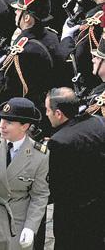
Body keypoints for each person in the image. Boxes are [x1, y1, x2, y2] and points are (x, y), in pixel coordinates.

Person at [0, 0, 64, 135]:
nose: (16, 12)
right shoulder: (50, 35)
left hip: (31, 117)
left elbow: (3, 88)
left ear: (28, 18)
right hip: (49, 107)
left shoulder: (23, 50)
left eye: (19, 10)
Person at [45, 87, 105, 249]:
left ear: (58, 113)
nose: (46, 114)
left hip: (72, 214)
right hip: (99, 206)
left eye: (48, 110)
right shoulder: (99, 122)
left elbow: (56, 188)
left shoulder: (59, 141)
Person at [0, 98, 49, 250]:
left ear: (25, 126)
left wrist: (30, 227)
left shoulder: (39, 155)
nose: (2, 125)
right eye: (2, 119)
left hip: (17, 220)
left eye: (9, 122)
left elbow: (39, 195)